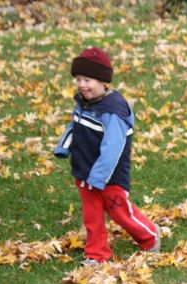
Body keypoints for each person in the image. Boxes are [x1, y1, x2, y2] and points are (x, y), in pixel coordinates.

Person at [54, 47, 160, 265]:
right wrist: (63, 146)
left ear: (103, 82)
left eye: (88, 80)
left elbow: (113, 149)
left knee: (120, 213)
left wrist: (99, 177)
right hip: (84, 172)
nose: (82, 85)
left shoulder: (113, 112)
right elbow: (75, 126)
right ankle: (97, 254)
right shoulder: (84, 103)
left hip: (109, 177)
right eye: (78, 79)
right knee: (91, 217)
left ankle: (149, 235)